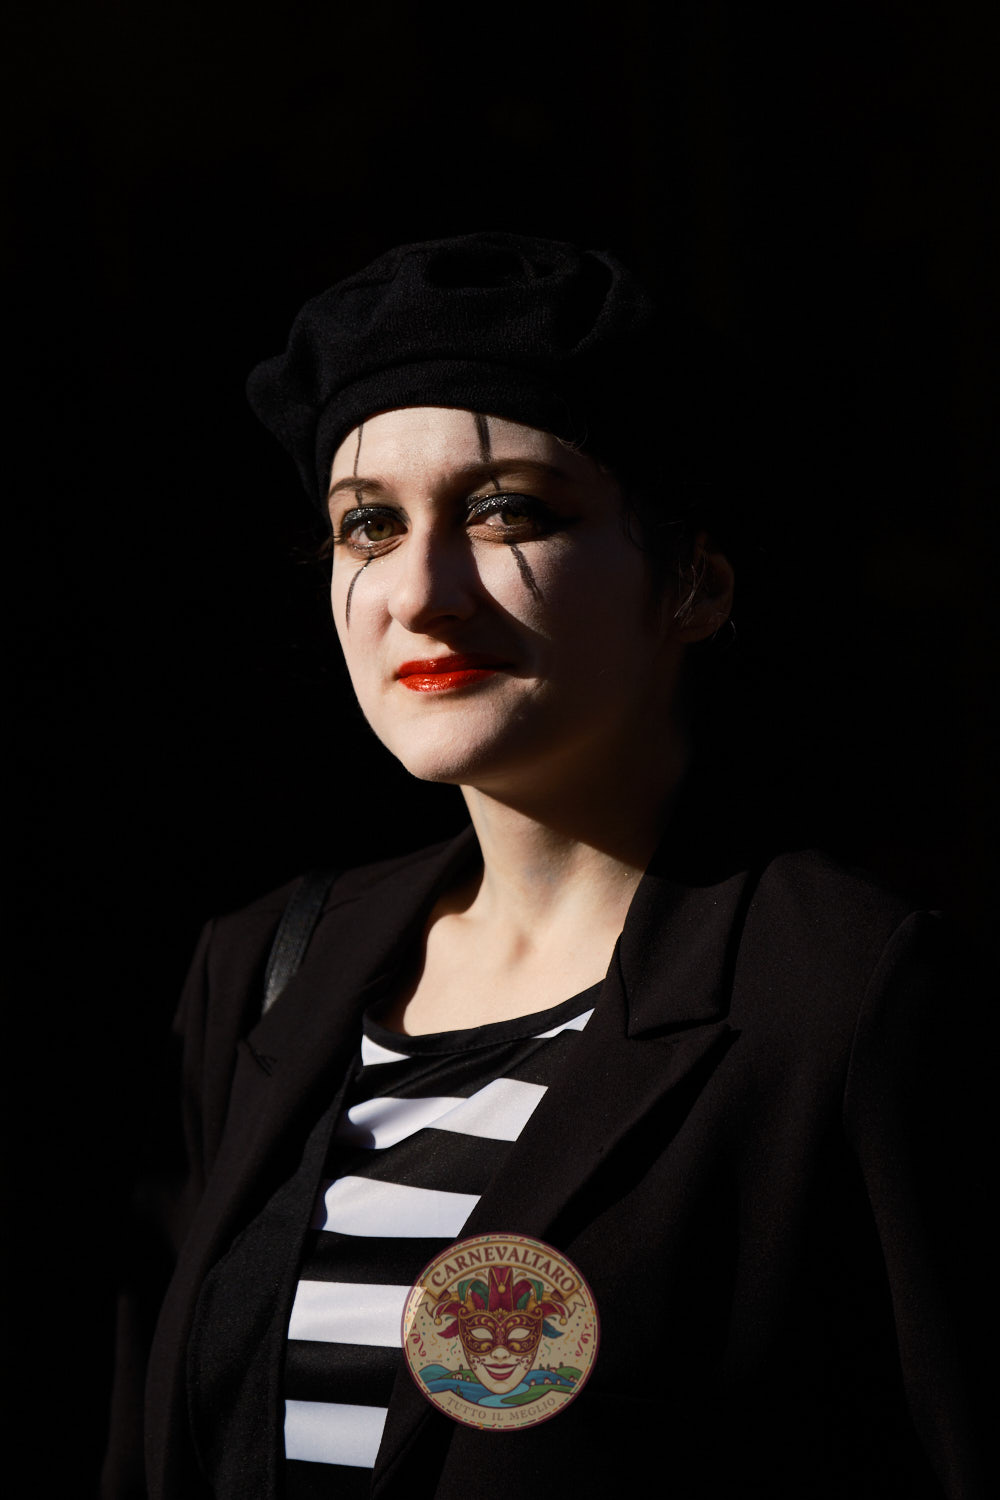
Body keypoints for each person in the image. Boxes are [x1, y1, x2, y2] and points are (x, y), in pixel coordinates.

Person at [128, 234, 982, 1498]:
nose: (419, 591)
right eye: (368, 526)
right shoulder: (263, 973)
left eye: (506, 510)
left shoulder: (845, 996)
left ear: (693, 583)